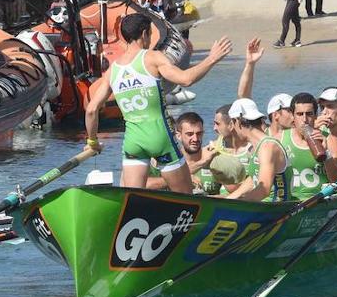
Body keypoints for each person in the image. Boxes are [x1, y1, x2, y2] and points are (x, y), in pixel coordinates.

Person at [83, 14, 231, 191]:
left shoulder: (113, 70)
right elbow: (185, 80)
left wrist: (92, 142)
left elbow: (91, 110)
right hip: (160, 138)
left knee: (134, 197)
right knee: (186, 196)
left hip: (133, 142)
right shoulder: (152, 57)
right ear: (144, 34)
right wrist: (212, 58)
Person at [222, 97, 289, 202]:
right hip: (263, 206)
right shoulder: (256, 147)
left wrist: (236, 205)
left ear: (237, 122)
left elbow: (264, 190)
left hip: (276, 209)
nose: (231, 130)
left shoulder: (268, 147)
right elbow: (253, 180)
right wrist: (230, 199)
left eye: (232, 124)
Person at [279, 93, 330, 200]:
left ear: (316, 115)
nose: (305, 119)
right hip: (289, 203)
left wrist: (327, 154)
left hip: (319, 202)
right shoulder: (279, 139)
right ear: (292, 116)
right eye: (300, 114)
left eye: (309, 114)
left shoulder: (330, 140)